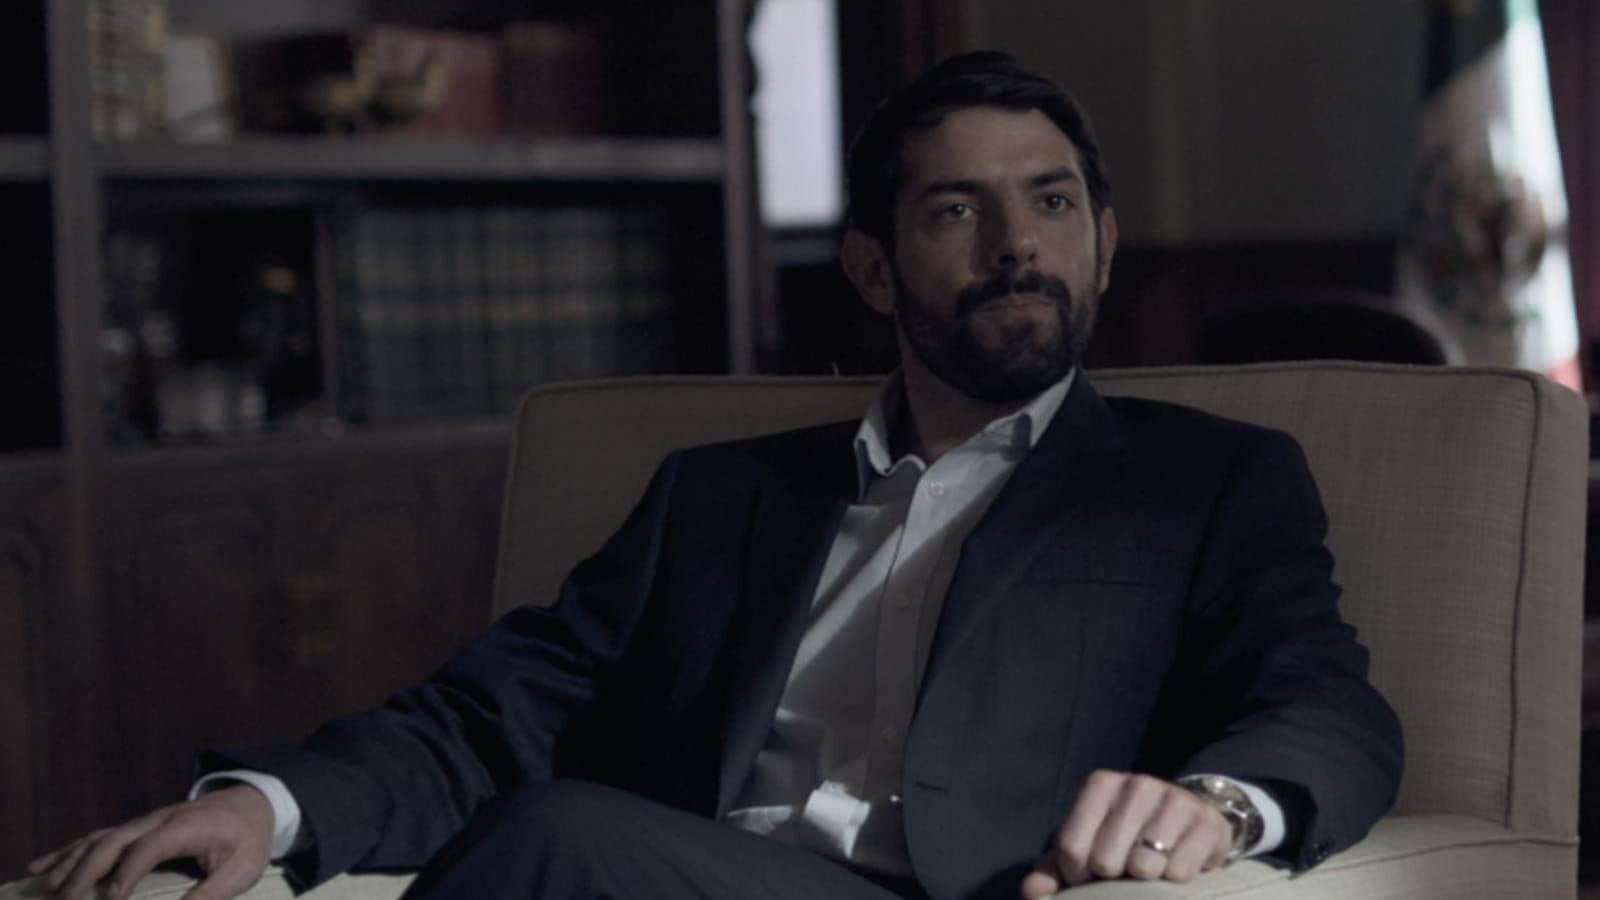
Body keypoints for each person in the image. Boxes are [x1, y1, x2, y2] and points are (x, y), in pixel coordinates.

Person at [28, 51, 1402, 900]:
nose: (1016, 246)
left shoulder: (1202, 484)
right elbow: (491, 719)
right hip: (698, 876)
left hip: (959, 893)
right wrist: (260, 806)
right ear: (873, 269)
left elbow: (1328, 707)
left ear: (1102, 239)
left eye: (1050, 203)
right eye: (956, 210)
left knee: (559, 837)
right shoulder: (717, 499)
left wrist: (1219, 804)